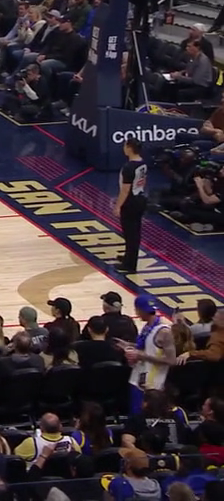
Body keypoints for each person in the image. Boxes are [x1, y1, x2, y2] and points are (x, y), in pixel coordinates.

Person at [121, 294, 175, 413]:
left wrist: (142, 356)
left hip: (153, 386)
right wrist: (128, 345)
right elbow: (149, 348)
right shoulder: (147, 326)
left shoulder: (164, 332)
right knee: (135, 417)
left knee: (147, 418)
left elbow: (171, 360)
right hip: (137, 380)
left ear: (141, 310)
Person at [115, 139, 148, 274]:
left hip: (130, 202)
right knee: (134, 232)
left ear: (129, 148)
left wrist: (118, 206)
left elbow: (125, 190)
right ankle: (128, 257)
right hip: (140, 198)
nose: (123, 148)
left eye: (125, 145)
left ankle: (130, 264)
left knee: (130, 234)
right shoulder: (142, 162)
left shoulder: (129, 167)